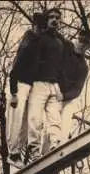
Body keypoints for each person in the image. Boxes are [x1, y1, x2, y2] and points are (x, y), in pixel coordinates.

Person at [6, 13, 46, 168]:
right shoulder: (28, 41)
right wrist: (14, 92)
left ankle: (17, 153)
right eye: (38, 27)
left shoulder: (37, 43)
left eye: (42, 29)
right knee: (16, 120)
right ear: (34, 26)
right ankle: (13, 154)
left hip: (28, 85)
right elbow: (15, 67)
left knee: (23, 122)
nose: (40, 31)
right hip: (19, 84)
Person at [26, 7, 65, 162]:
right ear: (46, 20)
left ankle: (56, 145)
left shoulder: (60, 42)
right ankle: (34, 152)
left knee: (55, 118)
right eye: (51, 17)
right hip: (39, 83)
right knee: (35, 117)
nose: (55, 20)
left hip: (54, 84)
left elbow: (61, 66)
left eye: (57, 17)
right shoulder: (39, 38)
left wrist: (60, 86)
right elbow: (30, 60)